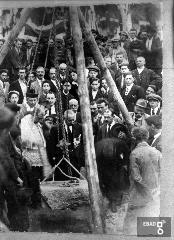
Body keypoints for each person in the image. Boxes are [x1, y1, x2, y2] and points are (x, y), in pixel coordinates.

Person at [124, 126, 161, 235]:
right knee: (152, 223)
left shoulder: (135, 153)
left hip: (139, 195)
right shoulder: (156, 152)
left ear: (134, 138)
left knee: (131, 225)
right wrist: (155, 188)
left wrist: (147, 189)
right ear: (147, 136)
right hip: (155, 194)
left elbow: (136, 177)